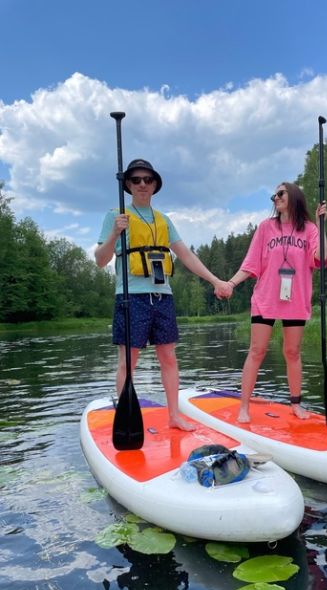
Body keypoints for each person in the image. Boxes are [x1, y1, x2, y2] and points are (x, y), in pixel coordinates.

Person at [95, 158, 231, 431]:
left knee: (169, 357)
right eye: (136, 180)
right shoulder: (116, 216)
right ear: (128, 185)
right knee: (129, 361)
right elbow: (100, 260)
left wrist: (216, 280)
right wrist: (114, 233)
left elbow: (186, 256)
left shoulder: (164, 220)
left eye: (147, 180)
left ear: (155, 184)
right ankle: (126, 417)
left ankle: (174, 416)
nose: (142, 184)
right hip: (131, 297)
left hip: (162, 297)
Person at [218, 182, 327, 423]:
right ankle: (244, 407)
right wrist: (231, 284)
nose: (275, 198)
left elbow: (321, 257)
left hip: (296, 300)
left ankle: (296, 405)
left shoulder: (309, 229)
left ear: (295, 196)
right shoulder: (265, 228)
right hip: (266, 299)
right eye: (274, 195)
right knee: (256, 351)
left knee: (292, 352)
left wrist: (321, 225)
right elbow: (250, 264)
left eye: (280, 194)